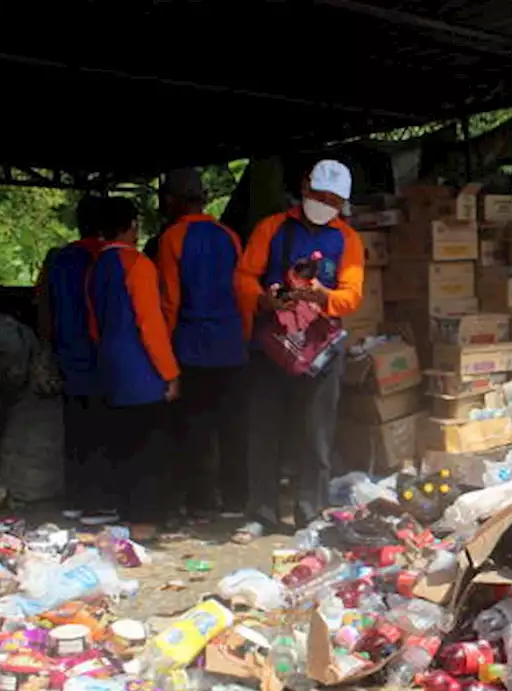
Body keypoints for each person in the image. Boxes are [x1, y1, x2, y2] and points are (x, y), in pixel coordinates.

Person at [233, 159, 364, 541]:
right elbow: (243, 277)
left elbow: (351, 294)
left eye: (334, 200)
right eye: (320, 196)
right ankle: (261, 514)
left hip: (319, 350)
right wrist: (264, 300)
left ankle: (310, 514)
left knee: (316, 436)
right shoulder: (272, 228)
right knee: (263, 432)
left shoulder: (347, 239)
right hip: (269, 346)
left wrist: (324, 297)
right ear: (305, 187)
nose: (326, 204)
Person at [155, 168, 248, 518]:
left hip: (191, 348)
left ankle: (200, 503)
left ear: (172, 199)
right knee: (233, 428)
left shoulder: (171, 239)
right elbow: (242, 294)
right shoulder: (229, 236)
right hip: (231, 346)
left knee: (195, 429)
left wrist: (163, 357)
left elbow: (169, 302)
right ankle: (237, 501)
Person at [87, 197, 180, 539]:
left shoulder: (97, 267)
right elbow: (150, 325)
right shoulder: (137, 265)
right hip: (142, 371)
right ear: (130, 227)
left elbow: (93, 323)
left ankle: (127, 516)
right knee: (149, 449)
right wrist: (169, 372)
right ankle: (145, 522)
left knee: (123, 445)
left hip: (111, 368)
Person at [35, 195, 119, 524]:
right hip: (100, 358)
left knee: (75, 430)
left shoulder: (59, 258)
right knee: (103, 431)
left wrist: (49, 346)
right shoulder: (107, 258)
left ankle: (75, 499)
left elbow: (44, 305)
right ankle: (98, 504)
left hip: (68, 355)